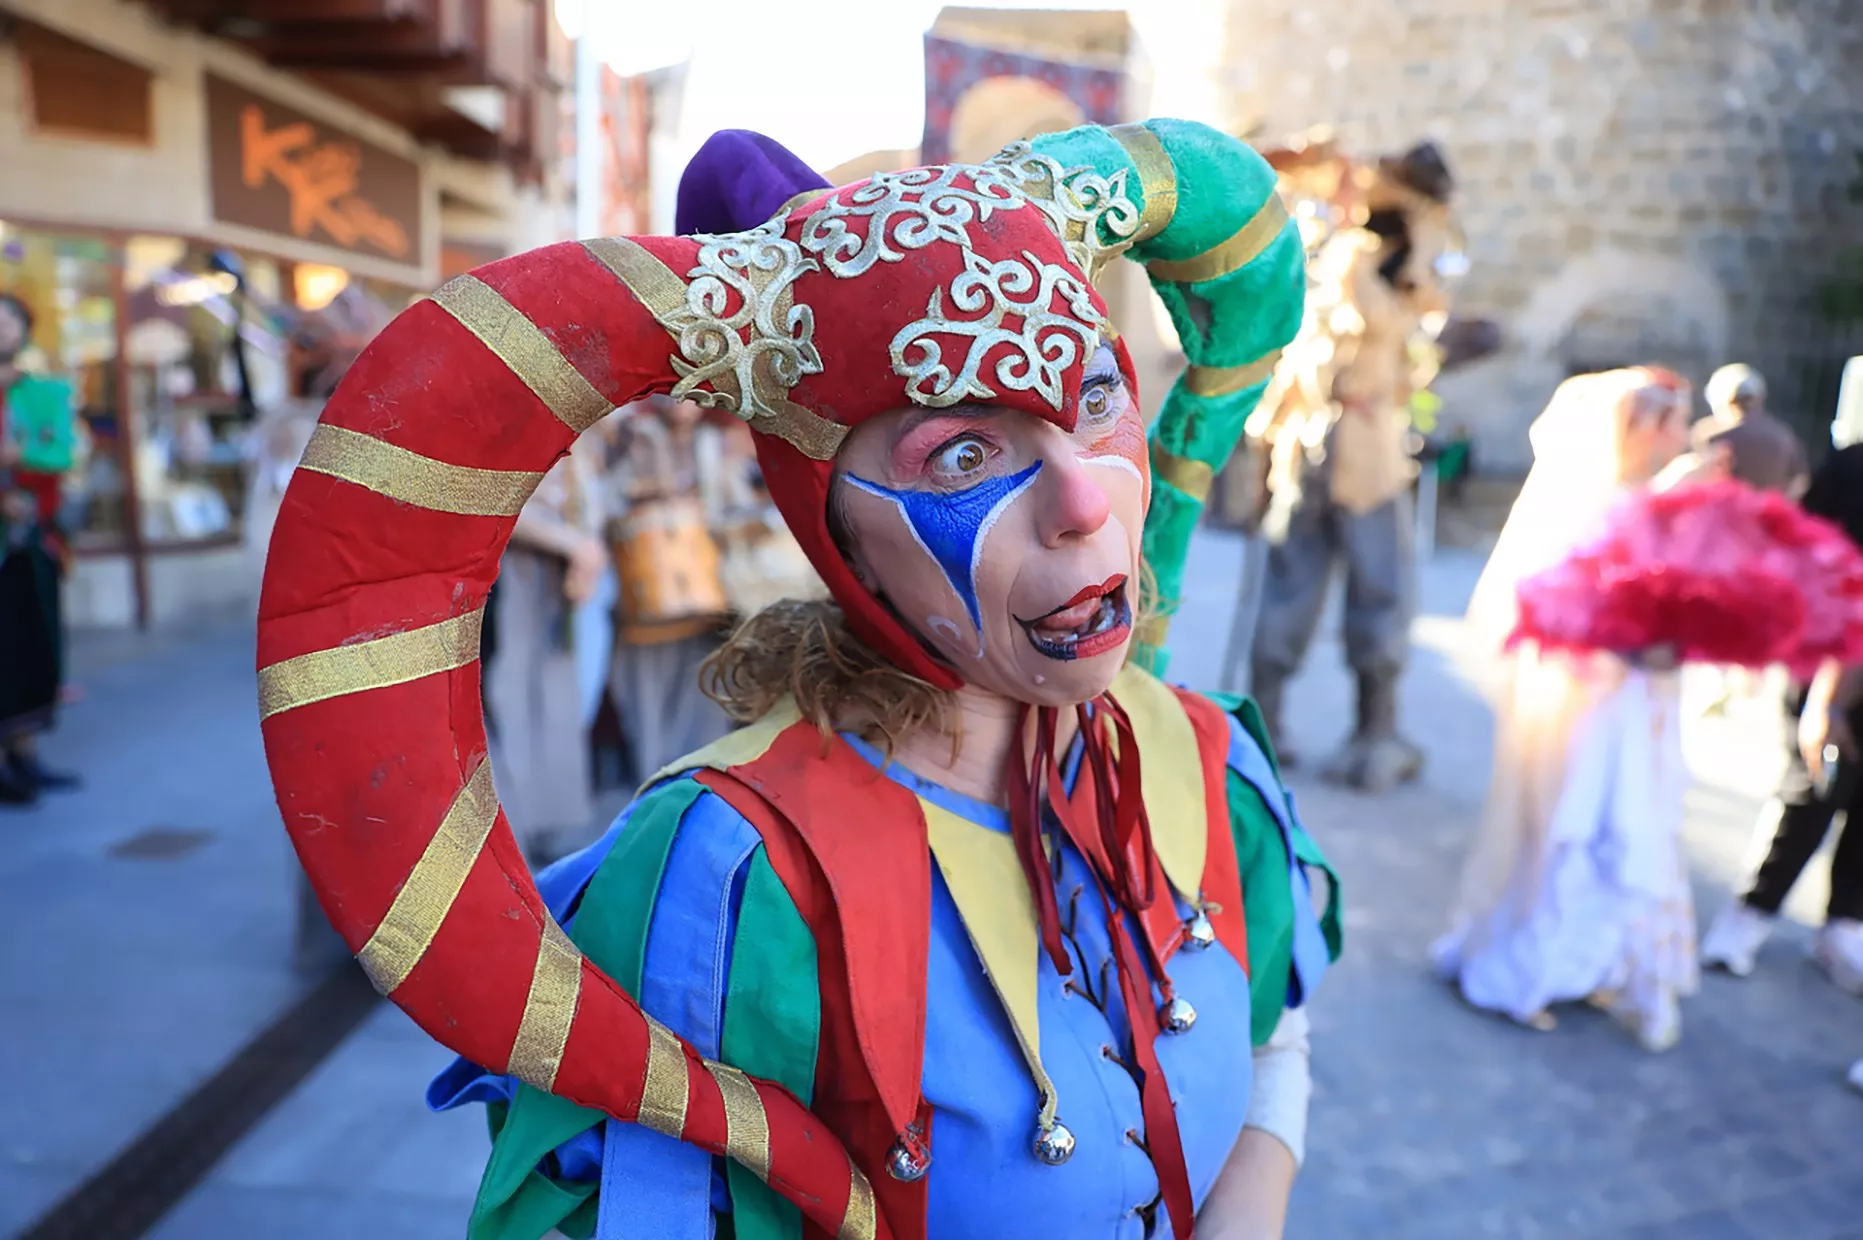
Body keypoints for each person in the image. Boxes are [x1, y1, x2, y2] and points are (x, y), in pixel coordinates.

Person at [257, 118, 1339, 1240]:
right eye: (963, 454)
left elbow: (1272, 1038)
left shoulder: (1206, 760)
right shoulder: (729, 878)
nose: (1083, 501)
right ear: (842, 538)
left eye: (1097, 395)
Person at [1434, 368, 1697, 1051]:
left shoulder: (1652, 498)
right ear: (1643, 426)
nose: (1682, 433)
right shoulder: (1587, 504)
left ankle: (1608, 964)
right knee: (1572, 825)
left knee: (1630, 821)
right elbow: (1552, 608)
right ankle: (1528, 969)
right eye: (1673, 419)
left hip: (1639, 695)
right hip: (1594, 695)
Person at [1245, 142, 1461, 791]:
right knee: (1379, 589)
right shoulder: (1362, 262)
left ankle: (1273, 727)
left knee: (1293, 583)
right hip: (1356, 447)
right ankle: (1370, 736)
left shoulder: (1335, 262)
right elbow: (1419, 298)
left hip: (1314, 441)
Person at [1699, 436, 1863, 989]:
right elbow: (1807, 557)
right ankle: (1751, 911)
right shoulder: (1852, 465)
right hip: (1832, 667)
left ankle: (1844, 922)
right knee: (1811, 788)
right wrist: (1827, 696)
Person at [602, 395, 734, 785]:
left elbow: (729, 501)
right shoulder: (635, 437)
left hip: (706, 591)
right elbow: (608, 500)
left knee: (704, 685)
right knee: (646, 693)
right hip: (644, 593)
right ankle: (651, 781)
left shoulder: (709, 443)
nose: (683, 401)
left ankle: (701, 778)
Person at [0, 292, 79, 804]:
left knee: (32, 649)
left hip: (32, 542)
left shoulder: (42, 392)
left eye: (9, 321)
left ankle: (23, 757)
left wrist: (19, 454)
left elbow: (59, 452)